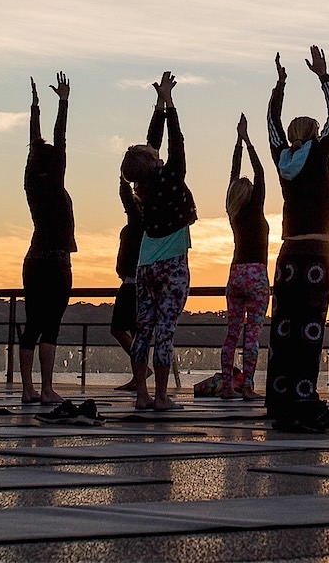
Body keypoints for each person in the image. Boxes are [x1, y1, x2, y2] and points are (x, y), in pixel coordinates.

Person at [263, 46, 329, 433]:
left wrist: (279, 85)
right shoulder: (318, 153)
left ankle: (278, 397)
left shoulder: (282, 158)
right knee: (310, 325)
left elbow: (270, 123)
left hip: (287, 252)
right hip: (315, 251)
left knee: (283, 325)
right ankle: (303, 393)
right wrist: (324, 76)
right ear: (313, 134)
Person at [122, 70, 197, 411]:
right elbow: (176, 140)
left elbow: (153, 144)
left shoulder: (143, 188)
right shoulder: (171, 177)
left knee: (143, 330)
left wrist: (160, 104)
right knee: (165, 330)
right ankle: (162, 396)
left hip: (145, 265)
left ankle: (142, 395)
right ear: (154, 164)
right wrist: (171, 105)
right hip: (172, 266)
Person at [20, 73, 75, 405]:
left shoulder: (31, 183)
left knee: (31, 323)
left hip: (33, 259)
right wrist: (63, 102)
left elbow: (37, 141)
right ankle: (46, 388)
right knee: (50, 325)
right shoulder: (54, 181)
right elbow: (60, 137)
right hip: (56, 260)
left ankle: (27, 389)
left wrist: (36, 107)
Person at [218, 113, 269, 400]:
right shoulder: (254, 208)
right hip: (256, 274)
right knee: (252, 335)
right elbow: (260, 173)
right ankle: (247, 385)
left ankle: (227, 384)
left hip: (235, 274)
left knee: (231, 332)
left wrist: (237, 143)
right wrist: (248, 141)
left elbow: (233, 175)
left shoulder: (233, 211)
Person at [109, 170, 143, 391]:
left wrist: (123, 178)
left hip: (133, 284)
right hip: (132, 282)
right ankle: (138, 375)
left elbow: (126, 200)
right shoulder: (137, 225)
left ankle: (140, 371)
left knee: (121, 329)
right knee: (134, 331)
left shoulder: (138, 222)